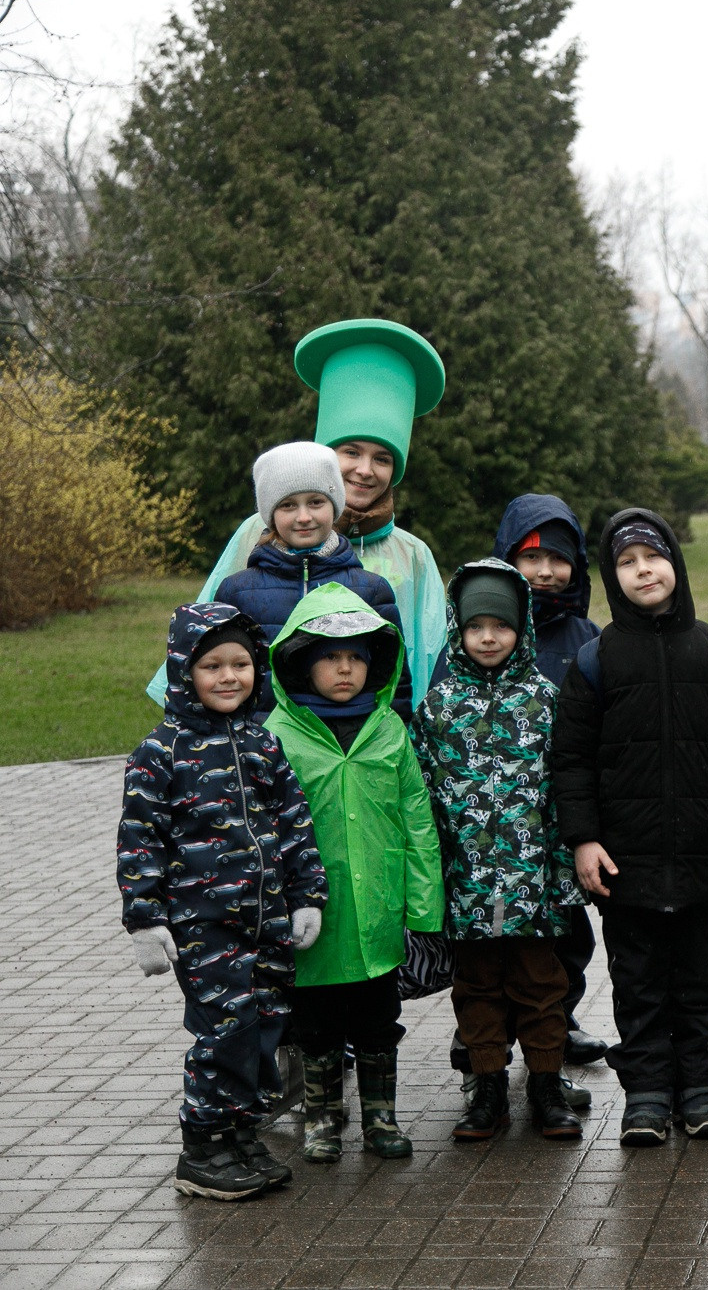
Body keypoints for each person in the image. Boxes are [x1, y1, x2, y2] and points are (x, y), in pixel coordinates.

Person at [551, 509, 708, 1145]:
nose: (643, 570)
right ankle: (646, 1093)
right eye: (626, 562)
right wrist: (584, 838)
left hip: (699, 855)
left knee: (699, 982)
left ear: (675, 563)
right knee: (640, 982)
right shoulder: (596, 662)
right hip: (625, 859)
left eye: (653, 556)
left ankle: (701, 1089)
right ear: (612, 578)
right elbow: (571, 758)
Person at [118, 603, 325, 1200]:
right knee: (225, 1030)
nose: (229, 677)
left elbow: (294, 823)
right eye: (213, 666)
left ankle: (239, 1131)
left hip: (268, 921)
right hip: (203, 926)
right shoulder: (160, 753)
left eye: (240, 664)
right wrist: (145, 919)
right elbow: (139, 841)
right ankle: (202, 1146)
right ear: (185, 671)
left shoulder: (263, 744)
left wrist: (307, 895)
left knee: (263, 1026)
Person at [155, 319, 450, 709]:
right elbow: (206, 640)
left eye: (382, 458)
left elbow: (430, 660)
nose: (365, 469)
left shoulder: (411, 555)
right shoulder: (256, 534)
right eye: (350, 452)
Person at [264, 583, 445, 1163]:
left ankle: (380, 1118)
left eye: (356, 659)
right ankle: (322, 1116)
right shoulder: (279, 736)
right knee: (314, 1026)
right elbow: (263, 831)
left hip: (377, 915)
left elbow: (417, 820)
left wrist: (424, 907)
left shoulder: (390, 731)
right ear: (301, 663)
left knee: (376, 1022)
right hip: (313, 919)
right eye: (330, 658)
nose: (345, 671)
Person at [414, 560, 586, 1143]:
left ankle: (545, 1083)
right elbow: (425, 798)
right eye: (475, 626)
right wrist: (432, 878)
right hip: (466, 882)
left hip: (532, 884)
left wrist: (564, 874)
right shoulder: (438, 709)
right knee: (478, 987)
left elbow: (563, 791)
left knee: (542, 985)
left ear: (522, 629)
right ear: (458, 630)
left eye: (502, 626)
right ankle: (486, 1084)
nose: (488, 637)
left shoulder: (544, 700)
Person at [492, 492, 608, 1066]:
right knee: (499, 924)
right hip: (495, 813)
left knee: (567, 926)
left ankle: (558, 1018)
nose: (544, 571)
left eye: (558, 558)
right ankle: (492, 1028)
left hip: (563, 809)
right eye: (530, 557)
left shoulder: (585, 635)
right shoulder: (481, 630)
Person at [210, 441, 407, 719]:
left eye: (316, 502)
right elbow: (217, 674)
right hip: (261, 746)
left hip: (346, 748)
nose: (304, 517)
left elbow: (393, 682)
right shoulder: (237, 592)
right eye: (288, 505)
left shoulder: (371, 591)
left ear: (335, 505)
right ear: (270, 513)